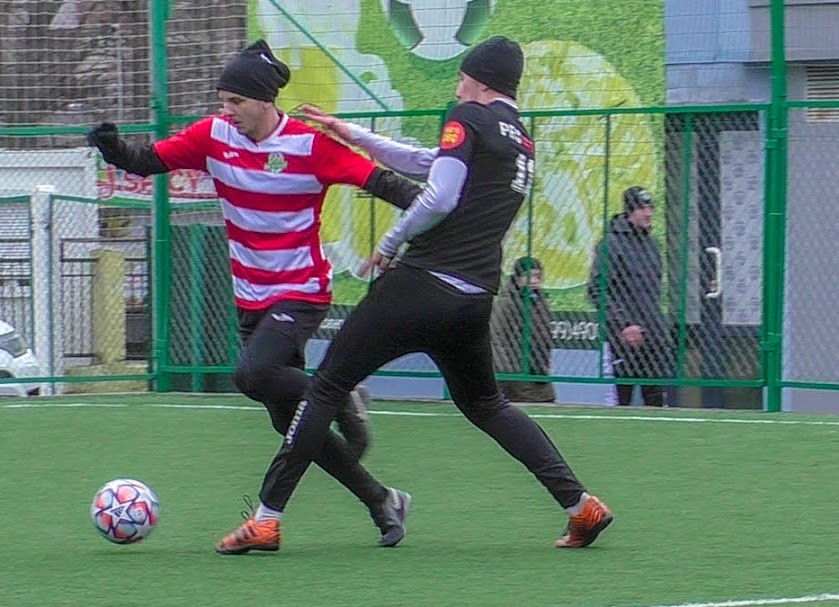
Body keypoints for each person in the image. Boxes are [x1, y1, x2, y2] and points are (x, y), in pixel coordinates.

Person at [216, 36, 613, 555]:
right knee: (487, 405)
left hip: (422, 283)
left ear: (480, 81)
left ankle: (267, 519)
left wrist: (390, 240)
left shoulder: (467, 115)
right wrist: (348, 132)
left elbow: (441, 193)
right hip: (474, 295)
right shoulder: (520, 139)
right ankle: (580, 504)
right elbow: (428, 161)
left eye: (462, 77)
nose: (457, 86)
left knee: (327, 387)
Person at [87, 40, 421, 546]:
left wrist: (433, 212)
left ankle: (341, 396)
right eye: (222, 101)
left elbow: (383, 182)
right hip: (252, 300)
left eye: (235, 102)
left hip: (301, 291)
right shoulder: (212, 136)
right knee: (293, 425)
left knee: (253, 375)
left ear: (265, 101)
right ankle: (383, 501)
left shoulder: (309, 146)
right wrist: (112, 147)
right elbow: (147, 161)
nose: (226, 111)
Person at [587, 186, 672, 407]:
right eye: (642, 208)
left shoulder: (652, 245)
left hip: (653, 335)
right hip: (622, 338)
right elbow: (597, 289)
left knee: (655, 398)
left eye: (650, 207)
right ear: (629, 211)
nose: (648, 213)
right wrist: (624, 324)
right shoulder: (610, 244)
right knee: (620, 398)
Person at [492, 256, 556, 403]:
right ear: (518, 278)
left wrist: (544, 361)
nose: (533, 281)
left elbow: (545, 336)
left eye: (537, 276)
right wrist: (508, 371)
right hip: (515, 369)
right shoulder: (506, 302)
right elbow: (496, 337)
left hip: (538, 366)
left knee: (547, 400)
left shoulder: (541, 301)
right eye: (528, 276)